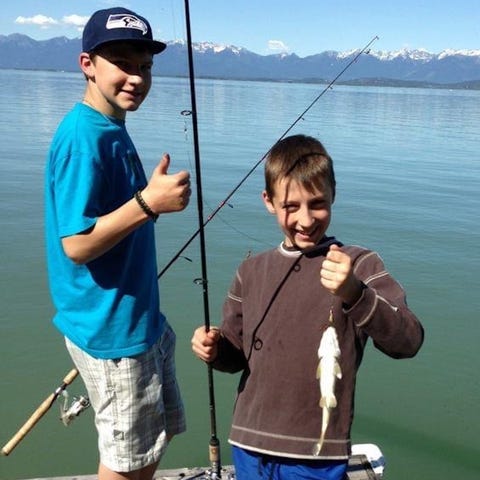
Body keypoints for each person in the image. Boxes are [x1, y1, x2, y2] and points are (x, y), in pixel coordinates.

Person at [191, 134, 424, 480]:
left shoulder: (358, 264)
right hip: (249, 440)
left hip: (317, 450)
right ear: (268, 201)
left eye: (317, 203)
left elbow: (408, 340)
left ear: (334, 195)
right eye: (290, 206)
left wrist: (355, 293)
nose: (306, 219)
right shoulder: (250, 271)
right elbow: (237, 354)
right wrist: (215, 347)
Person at [45, 7, 190, 480]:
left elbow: (107, 221)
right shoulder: (84, 138)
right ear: (87, 63)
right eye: (122, 63)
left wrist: (147, 204)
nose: (137, 77)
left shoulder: (109, 129)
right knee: (127, 466)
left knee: (147, 451)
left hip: (132, 320)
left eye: (145, 66)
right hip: (113, 333)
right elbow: (77, 244)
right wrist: (148, 203)